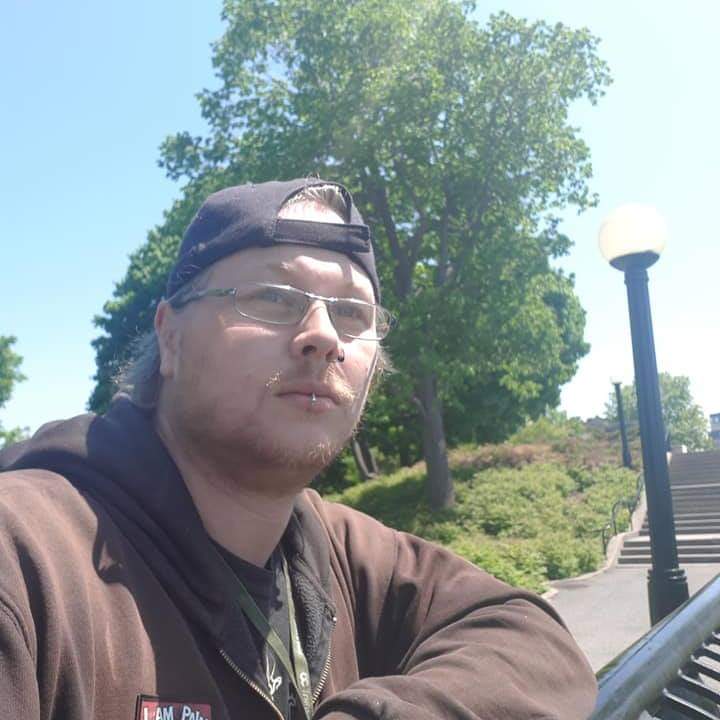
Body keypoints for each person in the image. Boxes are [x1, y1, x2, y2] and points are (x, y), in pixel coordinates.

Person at [0, 178, 596, 720]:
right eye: (273, 297)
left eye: (353, 313)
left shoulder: (342, 551)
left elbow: (534, 641)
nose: (325, 337)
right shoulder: (27, 561)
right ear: (170, 336)